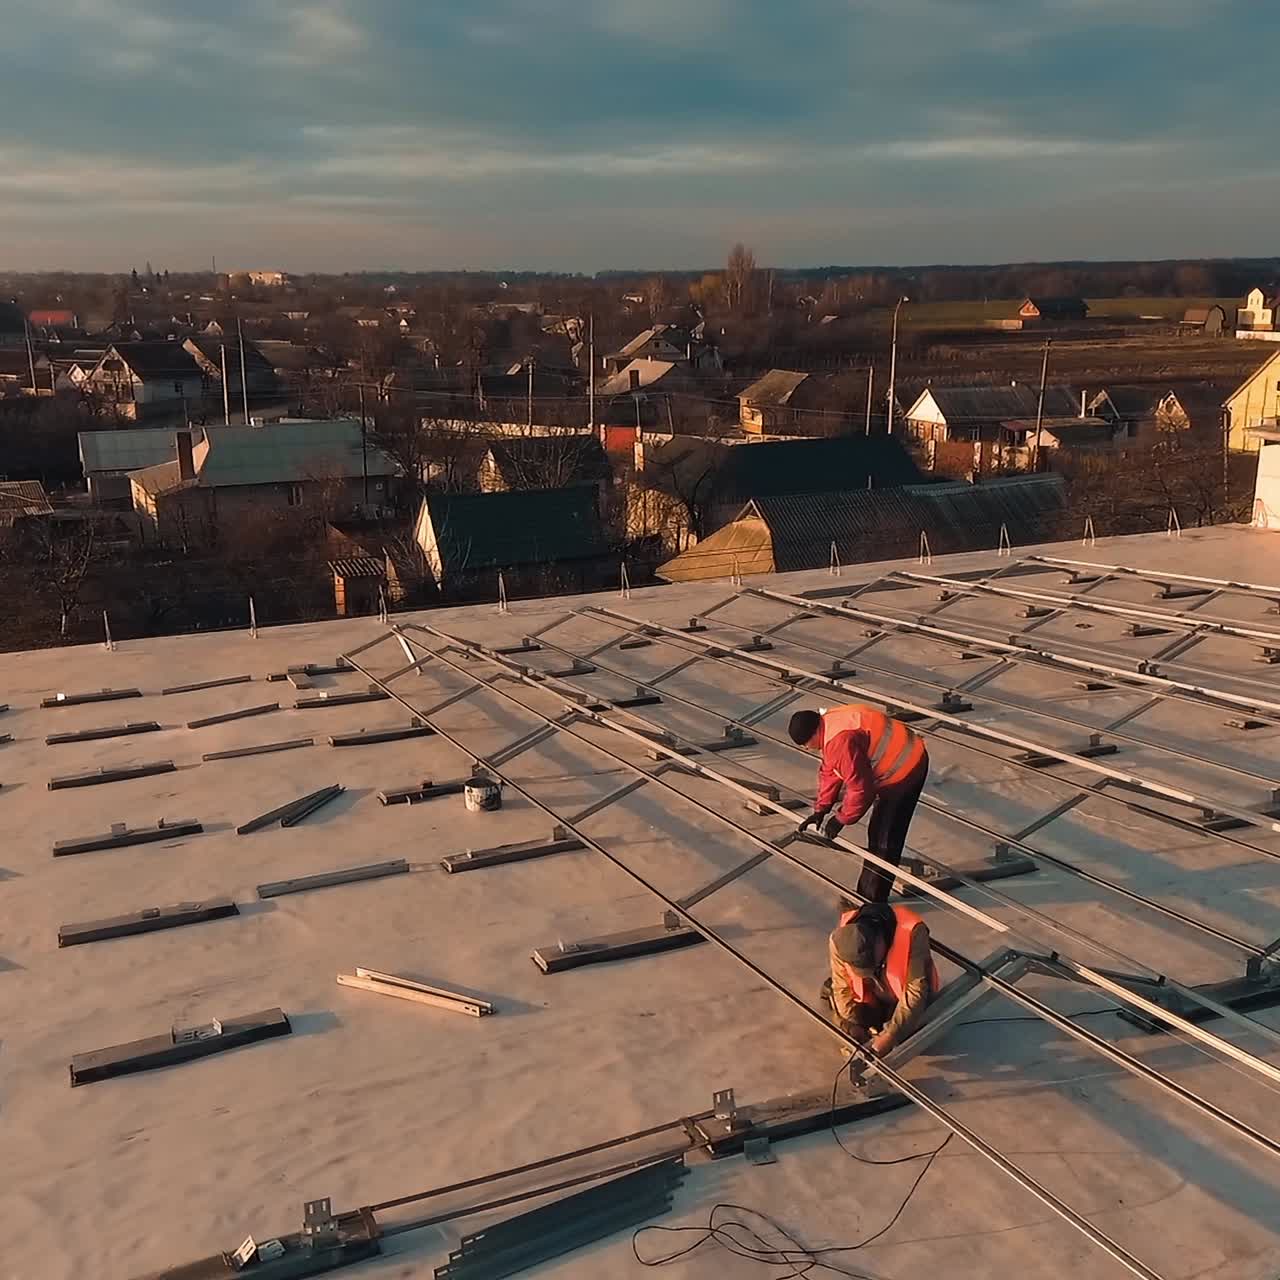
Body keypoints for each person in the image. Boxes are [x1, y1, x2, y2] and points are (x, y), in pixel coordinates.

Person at [789, 704, 929, 903]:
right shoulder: (831, 721)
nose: (805, 748)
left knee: (884, 838)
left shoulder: (840, 742)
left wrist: (841, 819)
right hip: (906, 751)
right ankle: (866, 895)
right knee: (879, 834)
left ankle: (872, 901)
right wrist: (821, 809)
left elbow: (861, 789)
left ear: (813, 734)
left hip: (905, 769)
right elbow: (830, 771)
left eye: (804, 744)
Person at [827, 902, 940, 1056]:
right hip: (874, 994)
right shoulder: (839, 940)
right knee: (833, 1001)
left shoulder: (912, 931)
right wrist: (853, 1025)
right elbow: (841, 986)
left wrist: (891, 1035)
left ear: (879, 941)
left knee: (906, 1035)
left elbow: (915, 991)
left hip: (903, 999)